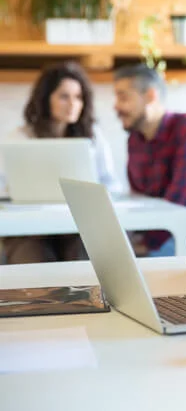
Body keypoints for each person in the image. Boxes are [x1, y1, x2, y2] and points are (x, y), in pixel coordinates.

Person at [2, 61, 119, 264]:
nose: (73, 104)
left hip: (79, 227)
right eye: (64, 96)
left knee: (86, 261)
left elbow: (111, 184)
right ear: (46, 99)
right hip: (30, 229)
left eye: (78, 97)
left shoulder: (93, 138)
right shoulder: (19, 138)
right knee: (34, 262)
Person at [112, 64, 186, 256]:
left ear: (150, 96)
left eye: (123, 97)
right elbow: (139, 198)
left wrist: (147, 243)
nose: (116, 106)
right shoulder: (135, 139)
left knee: (136, 264)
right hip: (157, 233)